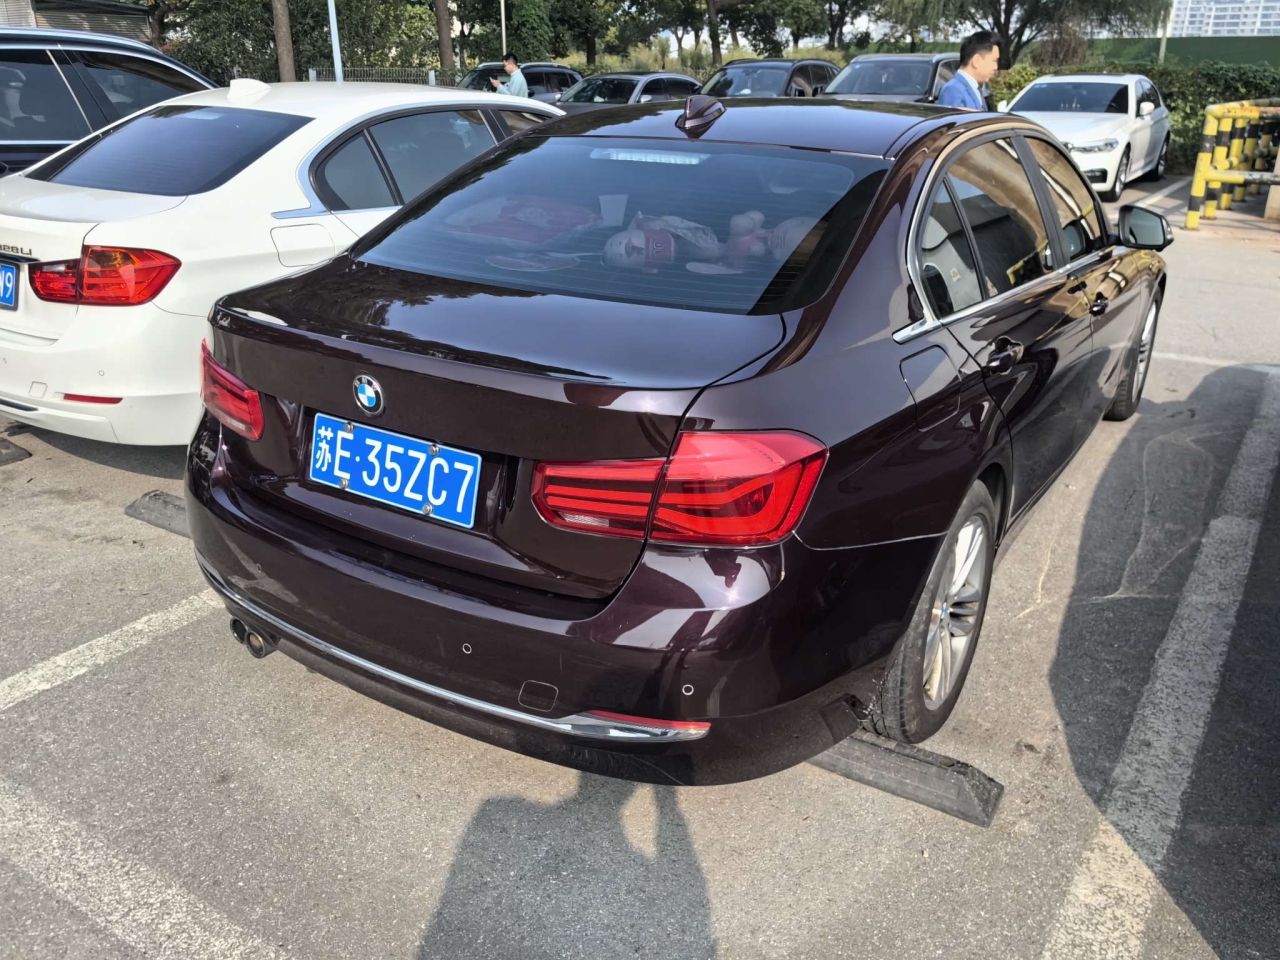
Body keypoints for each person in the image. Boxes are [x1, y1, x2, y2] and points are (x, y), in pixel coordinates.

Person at [937, 31, 1001, 110]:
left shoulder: (976, 88)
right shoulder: (952, 90)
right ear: (977, 61)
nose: (995, 67)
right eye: (994, 61)